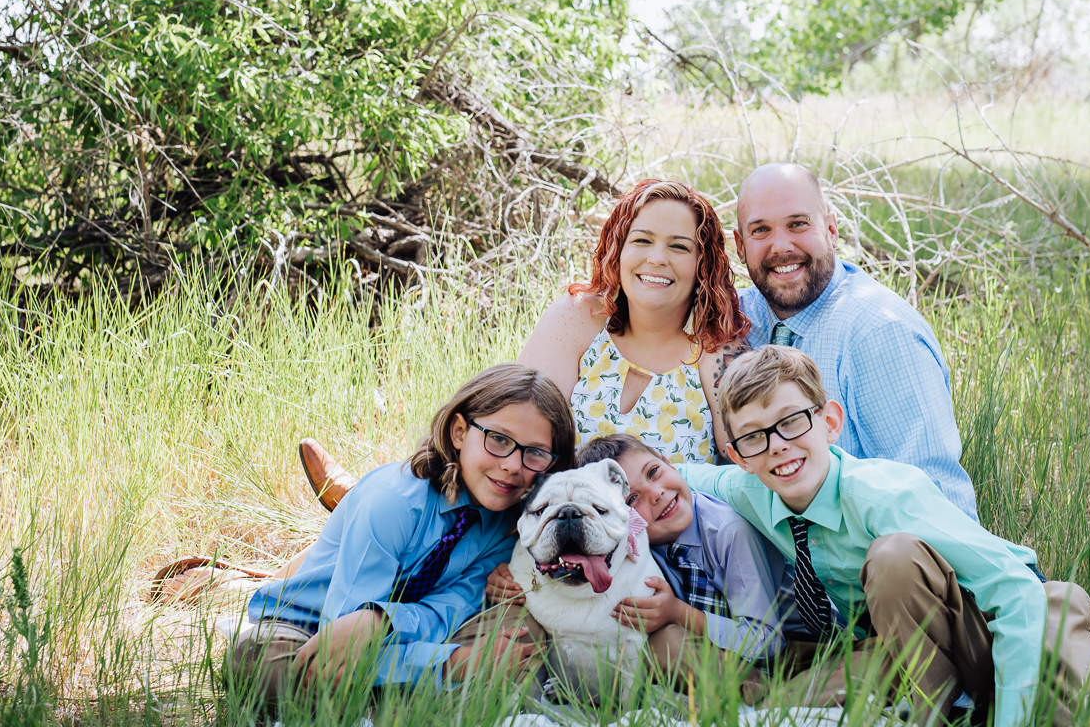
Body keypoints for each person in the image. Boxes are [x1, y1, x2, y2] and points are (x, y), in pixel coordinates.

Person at [682, 345, 1090, 727]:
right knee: (784, 717)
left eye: (791, 422)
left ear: (830, 422)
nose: (777, 446)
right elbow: (681, 476)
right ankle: (938, 722)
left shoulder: (882, 495)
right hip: (899, 647)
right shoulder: (750, 489)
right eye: (755, 437)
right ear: (738, 454)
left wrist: (1010, 725)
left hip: (1007, 620)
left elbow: (1014, 589)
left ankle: (996, 713)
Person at [299, 177, 752, 509]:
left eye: (678, 247)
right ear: (619, 248)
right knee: (483, 452)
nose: (656, 258)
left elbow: (744, 473)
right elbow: (511, 416)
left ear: (703, 264)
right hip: (537, 509)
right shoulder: (581, 318)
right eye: (643, 240)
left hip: (655, 538)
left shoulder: (715, 352)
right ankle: (378, 500)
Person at [229, 364, 575, 699]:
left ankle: (393, 714)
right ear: (459, 432)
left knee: (519, 636)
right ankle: (407, 712)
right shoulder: (393, 500)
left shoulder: (505, 530)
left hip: (413, 633)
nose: (512, 465)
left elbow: (447, 610)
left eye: (535, 454)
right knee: (262, 661)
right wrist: (448, 665)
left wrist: (384, 622)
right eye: (498, 440)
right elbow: (344, 632)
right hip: (314, 628)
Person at [731, 163, 978, 519]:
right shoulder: (735, 320)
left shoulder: (879, 331)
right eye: (761, 230)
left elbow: (934, 497)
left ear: (831, 229)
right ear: (740, 245)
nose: (781, 246)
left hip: (874, 554)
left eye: (798, 224)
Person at [578, 433, 788, 705]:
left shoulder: (727, 530)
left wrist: (679, 613)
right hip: (716, 652)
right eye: (632, 500)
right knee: (655, 644)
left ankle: (763, 700)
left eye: (654, 472)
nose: (656, 494)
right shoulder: (633, 546)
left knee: (668, 640)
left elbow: (768, 642)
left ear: (671, 464)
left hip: (787, 645)